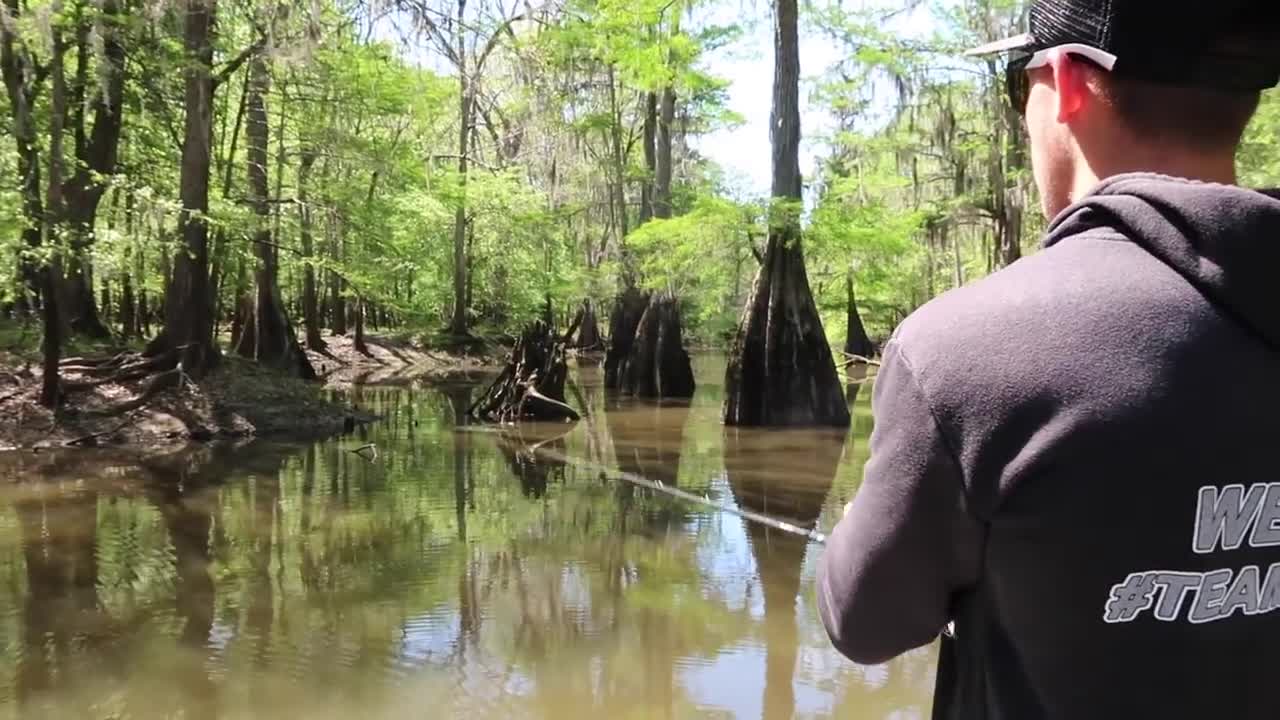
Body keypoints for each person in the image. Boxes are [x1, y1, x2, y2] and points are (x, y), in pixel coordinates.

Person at [816, 1, 1280, 718]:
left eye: (1016, 84)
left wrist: (857, 522)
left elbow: (864, 624)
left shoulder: (964, 351)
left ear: (1067, 83)